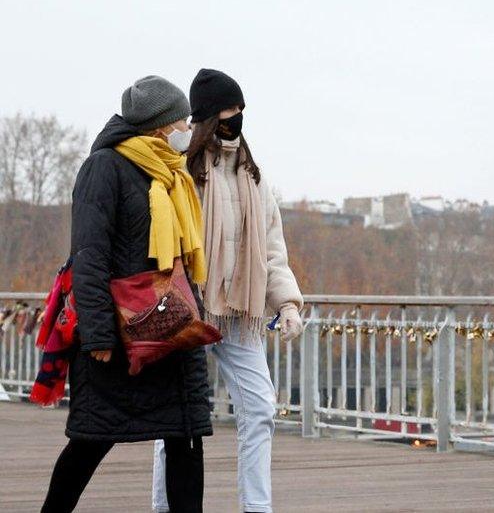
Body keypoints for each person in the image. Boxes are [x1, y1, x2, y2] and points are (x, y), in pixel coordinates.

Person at [41, 76, 212, 513]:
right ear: (159, 125)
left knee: (186, 440)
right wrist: (98, 335)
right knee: (90, 441)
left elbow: (178, 257)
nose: (187, 129)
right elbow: (89, 256)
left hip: (172, 330)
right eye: (182, 121)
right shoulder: (105, 167)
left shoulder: (171, 174)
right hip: (119, 332)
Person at [151, 69, 304, 513]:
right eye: (225, 112)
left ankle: (257, 508)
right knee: (175, 420)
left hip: (240, 311)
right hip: (189, 309)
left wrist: (288, 303)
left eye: (239, 111)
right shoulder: (181, 172)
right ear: (205, 118)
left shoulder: (255, 178)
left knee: (260, 409)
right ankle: (164, 506)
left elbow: (272, 249)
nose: (234, 120)